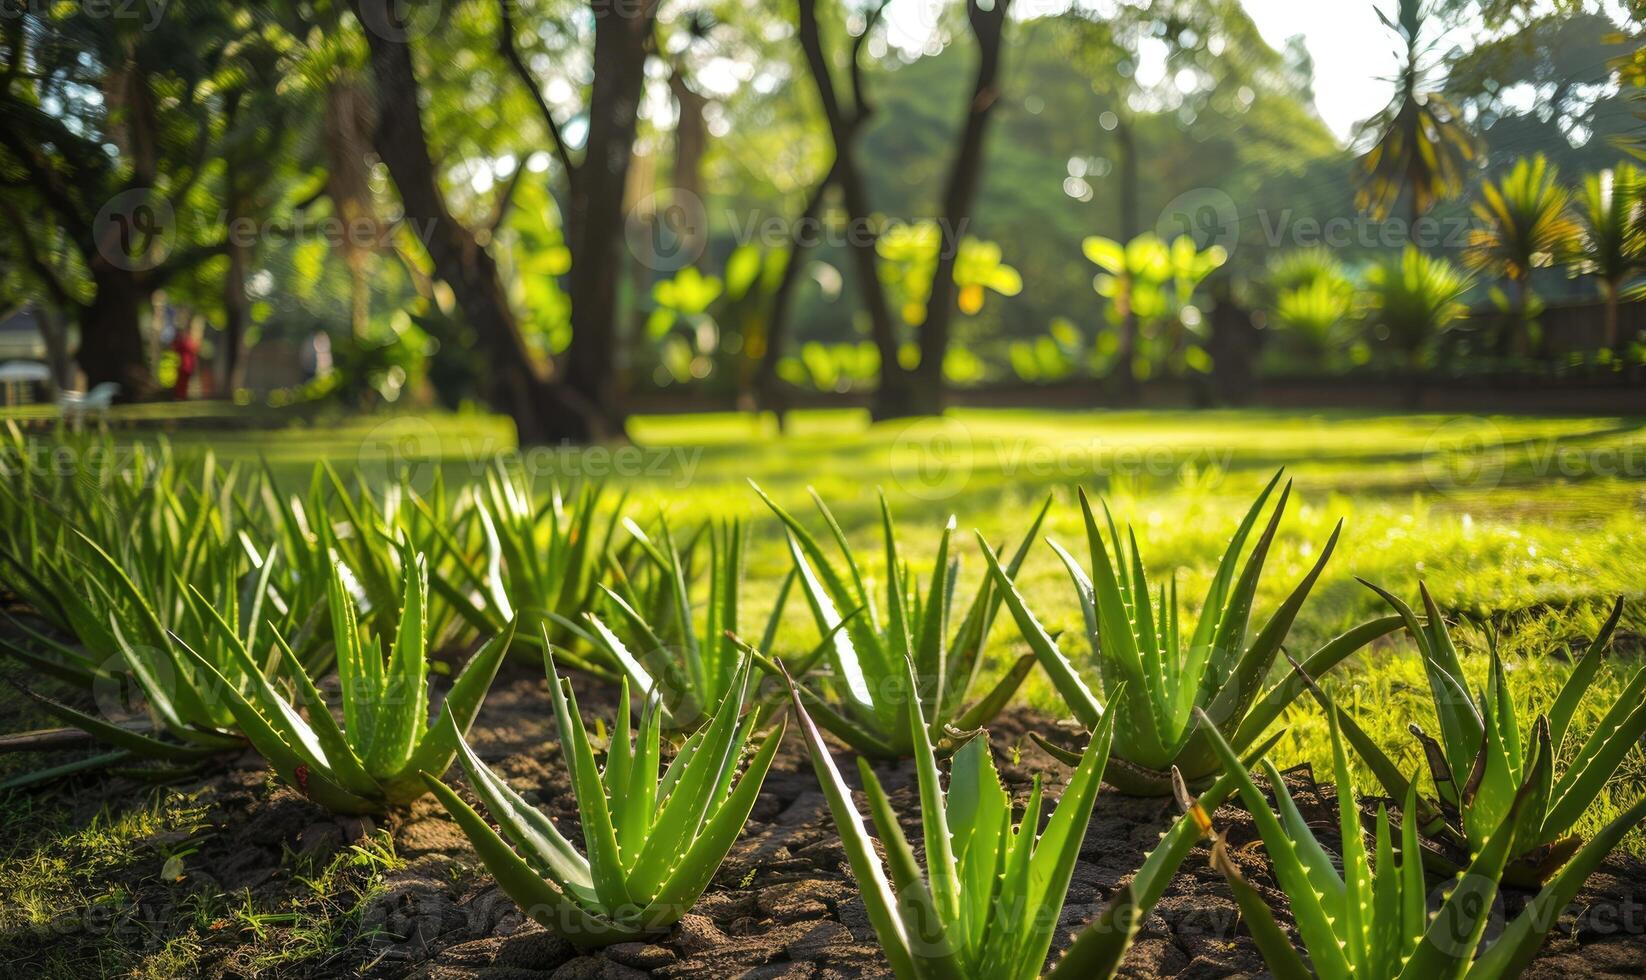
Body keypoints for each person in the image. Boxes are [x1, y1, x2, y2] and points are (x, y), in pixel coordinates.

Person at [171, 325, 200, 400]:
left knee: (183, 381)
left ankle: (181, 395)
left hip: (186, 365)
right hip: (184, 364)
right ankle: (180, 395)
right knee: (181, 381)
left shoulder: (184, 341)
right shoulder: (184, 341)